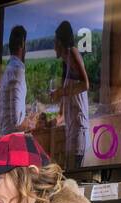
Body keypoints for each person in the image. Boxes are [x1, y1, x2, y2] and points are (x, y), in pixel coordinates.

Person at [50, 21, 90, 168]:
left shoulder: (73, 52)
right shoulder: (66, 63)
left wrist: (60, 92)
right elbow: (64, 109)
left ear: (60, 42)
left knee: (74, 176)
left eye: (55, 42)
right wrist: (53, 121)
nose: (54, 47)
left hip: (78, 132)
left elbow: (85, 84)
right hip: (72, 131)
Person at [0, 25, 29, 136]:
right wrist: (33, 122)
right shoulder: (17, 70)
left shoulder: (9, 68)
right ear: (22, 45)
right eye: (26, 45)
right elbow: (17, 121)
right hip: (13, 141)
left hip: (6, 139)